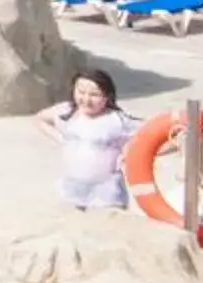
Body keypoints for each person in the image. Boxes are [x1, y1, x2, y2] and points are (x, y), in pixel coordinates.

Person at [32, 69, 140, 211]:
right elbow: (39, 118)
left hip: (107, 192)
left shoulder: (118, 120)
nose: (86, 99)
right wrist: (60, 138)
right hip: (72, 189)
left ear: (108, 96)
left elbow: (157, 137)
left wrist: (129, 153)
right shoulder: (66, 112)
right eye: (81, 92)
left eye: (94, 95)